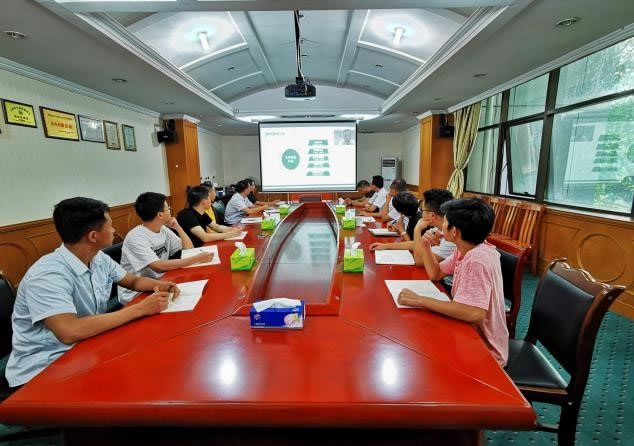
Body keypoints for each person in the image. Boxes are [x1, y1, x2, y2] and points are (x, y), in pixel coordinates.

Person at [5, 197, 178, 388]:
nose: (114, 230)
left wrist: (160, 285)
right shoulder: (47, 275)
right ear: (93, 236)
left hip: (88, 345)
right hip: (45, 366)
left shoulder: (98, 258)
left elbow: (133, 281)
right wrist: (141, 309)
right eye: (110, 226)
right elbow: (69, 331)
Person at [397, 198, 509, 367]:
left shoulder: (476, 259)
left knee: (419, 353)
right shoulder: (466, 248)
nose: (441, 226)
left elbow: (475, 313)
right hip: (467, 332)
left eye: (445, 222)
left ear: (454, 231)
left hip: (485, 349)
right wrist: (425, 246)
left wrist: (420, 300)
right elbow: (435, 274)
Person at [118, 192, 214, 305]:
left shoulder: (163, 229)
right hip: (136, 293)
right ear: (160, 215)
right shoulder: (135, 237)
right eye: (168, 208)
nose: (170, 210)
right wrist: (196, 258)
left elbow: (189, 249)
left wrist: (178, 227)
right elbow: (158, 267)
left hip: (160, 282)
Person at [371, 188, 455, 258]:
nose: (421, 212)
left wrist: (417, 229)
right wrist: (386, 246)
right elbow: (415, 244)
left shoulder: (451, 238)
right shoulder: (436, 229)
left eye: (423, 210)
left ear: (432, 215)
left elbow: (418, 259)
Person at [177, 186, 242, 246]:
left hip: (202, 246)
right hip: (191, 251)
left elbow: (216, 227)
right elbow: (205, 237)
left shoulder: (202, 213)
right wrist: (231, 234)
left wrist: (232, 229)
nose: (211, 200)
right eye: (209, 197)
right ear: (204, 201)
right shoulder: (187, 215)